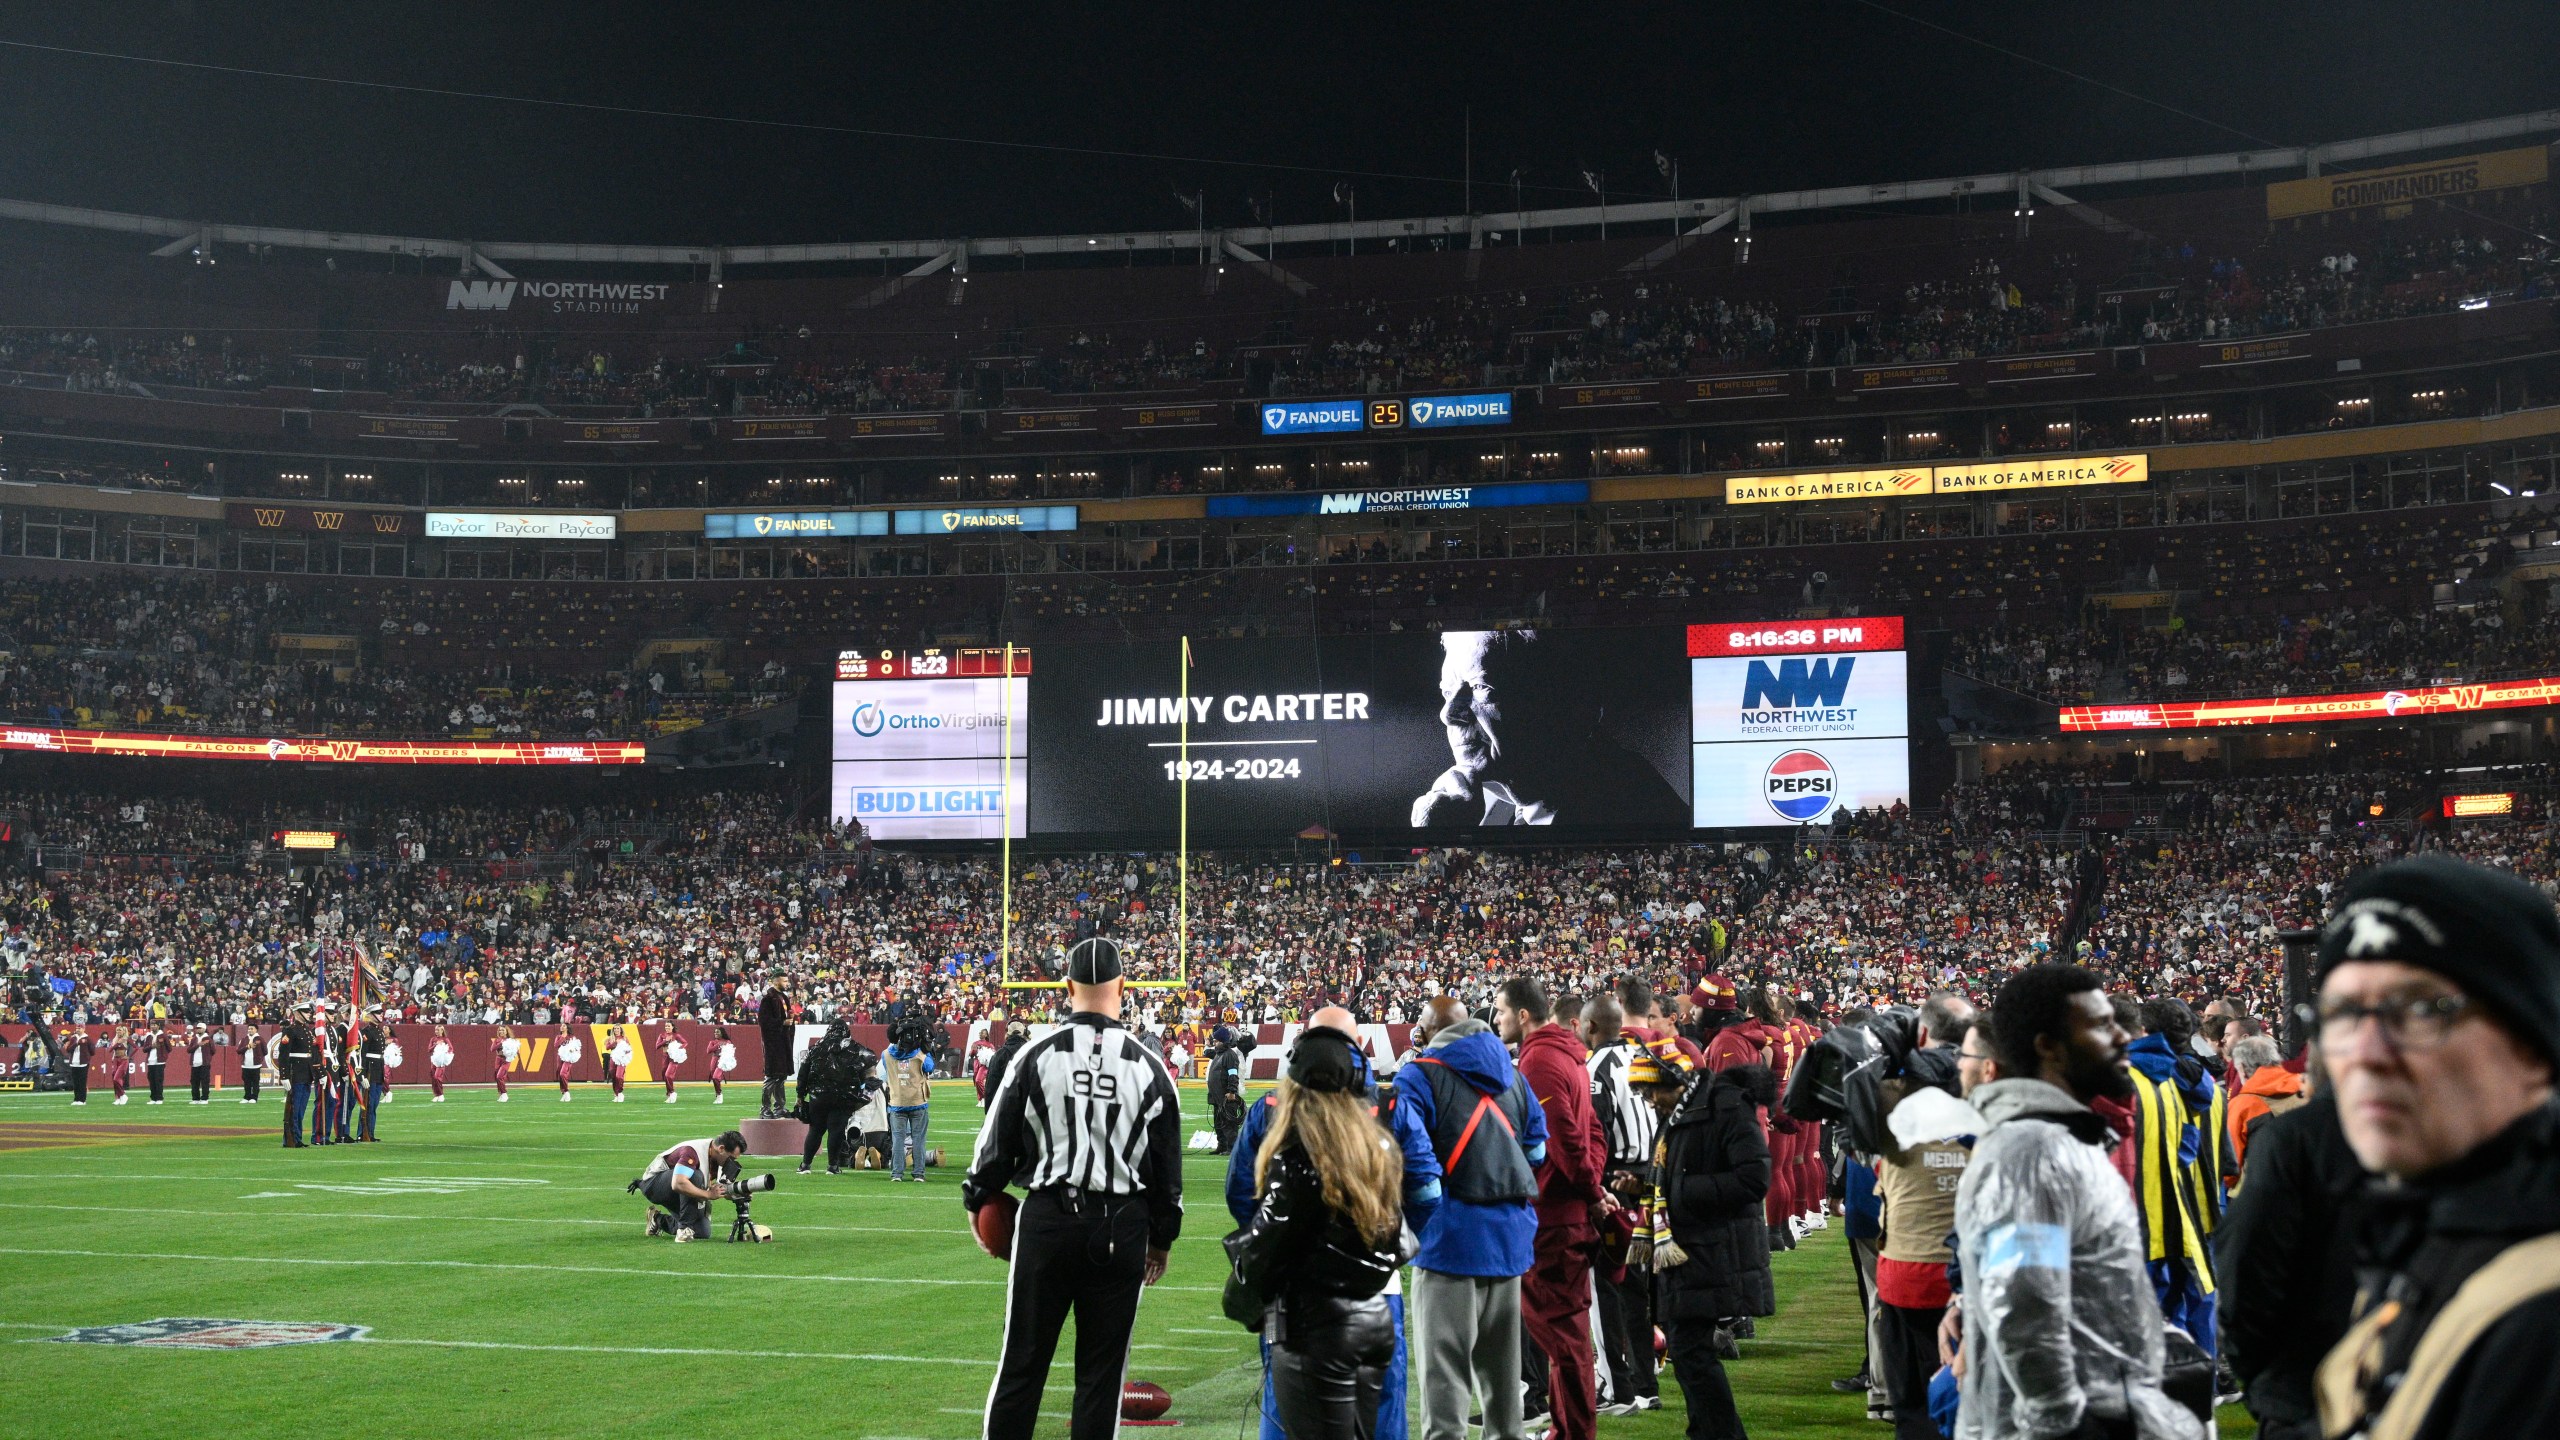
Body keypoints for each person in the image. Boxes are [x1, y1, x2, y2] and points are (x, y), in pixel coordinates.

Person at [2305, 854, 2560, 1438]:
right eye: (2343, 1012)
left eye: (2421, 1008)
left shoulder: (2542, 1318)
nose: (2367, 1052)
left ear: (2532, 1046)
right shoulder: (2431, 1224)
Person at [1954, 964, 2200, 1440]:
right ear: (2048, 1046)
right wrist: (2060, 1419)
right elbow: (2024, 1298)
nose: (2123, 1037)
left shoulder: (2059, 1140)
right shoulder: (2031, 1152)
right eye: (2101, 1025)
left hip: (2107, 1407)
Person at [966, 936, 1184, 1440]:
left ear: (1067, 988)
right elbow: (1166, 1174)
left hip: (1046, 1222)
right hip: (1121, 1227)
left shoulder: (1035, 1056)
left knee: (1021, 1366)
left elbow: (992, 1151)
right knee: (1100, 1381)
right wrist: (1162, 1239)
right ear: (1123, 987)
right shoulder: (1151, 1068)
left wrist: (979, 1203)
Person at [1228, 1006, 1428, 1440]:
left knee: (1286, 1417)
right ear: (1358, 1054)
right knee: (1380, 1420)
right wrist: (1385, 1250)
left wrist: (1274, 1244)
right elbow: (1426, 1193)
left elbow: (1241, 1192)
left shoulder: (1273, 1110)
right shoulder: (1391, 1107)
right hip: (1376, 1293)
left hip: (1292, 1295)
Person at [1394, 994, 1549, 1440]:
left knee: (1445, 1379)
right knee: (1503, 1387)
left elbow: (1411, 1159)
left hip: (1449, 1241)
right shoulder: (1514, 1077)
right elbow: (1537, 1150)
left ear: (1425, 1032)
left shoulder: (1418, 1075)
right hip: (1509, 1241)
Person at [1410, 629, 1685, 828]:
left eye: (1482, 688)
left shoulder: (1635, 810)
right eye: (1448, 692)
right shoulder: (1466, 803)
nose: (1448, 715)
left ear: (1568, 704)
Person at [2213, 1074, 2360, 1440]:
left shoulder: (2293, 1135)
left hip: (2300, 1390)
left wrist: (2267, 1380)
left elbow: (2245, 1276)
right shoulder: (2440, 1135)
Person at [1499, 978, 1606, 1440]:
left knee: (1561, 1337)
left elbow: (1563, 1138)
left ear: (1524, 1015)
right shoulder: (1569, 1056)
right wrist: (1593, 1186)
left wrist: (1590, 1191)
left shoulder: (1539, 1059)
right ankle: (1566, 1428)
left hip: (1553, 1216)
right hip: (1567, 1210)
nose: (1496, 1019)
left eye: (1501, 1011)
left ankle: (1574, 1431)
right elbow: (1593, 1133)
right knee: (1567, 1334)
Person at [1868, 991, 1973, 1440]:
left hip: (1909, 1267)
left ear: (1922, 1032)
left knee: (1913, 1407)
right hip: (1976, 1275)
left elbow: (1811, 1098)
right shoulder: (1994, 1090)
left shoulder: (1889, 1092)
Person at [2128, 997, 2225, 1353]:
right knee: (2198, 1313)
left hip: (2154, 1219)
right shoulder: (2213, 1090)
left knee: (2157, 1324)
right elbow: (2218, 1157)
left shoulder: (2144, 1083)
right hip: (2202, 1214)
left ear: (2144, 1033)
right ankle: (2203, 1398)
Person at [1583, 994, 1663, 1415]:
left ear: (1592, 1026)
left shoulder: (1595, 1067)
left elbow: (1594, 1131)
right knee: (1636, 1287)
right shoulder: (1642, 1054)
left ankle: (1619, 1387)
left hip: (1615, 1182)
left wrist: (1596, 1189)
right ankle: (1646, 1384)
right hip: (1649, 1179)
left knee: (1606, 1286)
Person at [795, 1018, 877, 1176]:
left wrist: (800, 1094)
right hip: (843, 1097)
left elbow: (803, 1073)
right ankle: (832, 1166)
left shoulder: (816, 1048)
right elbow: (870, 1065)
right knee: (836, 1131)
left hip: (817, 1097)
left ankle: (805, 1165)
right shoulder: (855, 1048)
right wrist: (864, 1096)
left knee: (815, 1130)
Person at [637, 1129, 746, 1243]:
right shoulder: (692, 1151)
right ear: (721, 1149)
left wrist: (739, 1193)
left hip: (678, 1190)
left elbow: (721, 1188)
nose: (732, 1161)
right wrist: (708, 1194)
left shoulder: (719, 1158)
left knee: (702, 1231)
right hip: (654, 1185)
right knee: (694, 1175)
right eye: (732, 1157)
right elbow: (678, 1183)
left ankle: (657, 1220)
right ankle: (684, 1229)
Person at [2221, 1035, 2301, 1175]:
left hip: (2259, 1189)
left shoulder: (2242, 1105)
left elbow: (2230, 1165)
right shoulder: (2307, 1088)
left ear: (2243, 1069)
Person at [884, 1026, 936, 1181]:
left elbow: (887, 1068)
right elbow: (930, 1068)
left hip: (897, 1101)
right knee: (918, 1139)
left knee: (898, 1139)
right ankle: (918, 1173)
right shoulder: (921, 1054)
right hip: (917, 1101)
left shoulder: (886, 1054)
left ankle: (897, 1173)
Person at [1209, 1027, 1248, 1153]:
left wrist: (1232, 1091)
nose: (1214, 1043)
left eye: (1216, 1041)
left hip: (1226, 1096)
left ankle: (1232, 1148)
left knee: (1229, 1124)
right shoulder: (1218, 1054)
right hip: (1216, 1096)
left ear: (1223, 1041)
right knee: (1218, 1123)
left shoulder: (1230, 1055)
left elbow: (1233, 1074)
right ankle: (1222, 1145)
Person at [758, 977, 793, 1117]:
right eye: (784, 981)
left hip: (783, 1042)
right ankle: (765, 1109)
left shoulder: (783, 997)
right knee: (771, 1076)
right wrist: (782, 1023)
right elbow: (764, 1021)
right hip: (773, 1044)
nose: (787, 983)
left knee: (781, 1076)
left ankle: (779, 1108)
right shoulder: (768, 999)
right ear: (776, 981)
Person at [279, 1014, 315, 1148]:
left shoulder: (306, 1030)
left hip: (306, 1072)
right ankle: (291, 1138)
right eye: (305, 1012)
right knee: (294, 1109)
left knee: (301, 1109)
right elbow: (283, 1053)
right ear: (298, 1013)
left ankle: (297, 1138)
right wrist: (284, 1075)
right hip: (296, 1072)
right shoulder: (290, 1030)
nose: (308, 1014)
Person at [357, 1014, 388, 1141]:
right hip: (369, 1070)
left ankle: (370, 1133)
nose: (381, 1015)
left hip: (377, 1071)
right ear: (371, 1016)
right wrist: (362, 1075)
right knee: (367, 1104)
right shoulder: (366, 1032)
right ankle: (362, 1133)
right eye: (379, 1013)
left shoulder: (379, 1032)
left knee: (374, 1104)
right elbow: (362, 1054)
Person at [658, 1022, 686, 1103]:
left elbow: (685, 1043)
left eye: (668, 1026)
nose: (667, 1027)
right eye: (666, 1026)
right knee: (664, 1076)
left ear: (672, 1027)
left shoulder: (676, 1035)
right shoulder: (662, 1035)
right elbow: (657, 1046)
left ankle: (673, 1092)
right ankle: (670, 1094)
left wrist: (678, 1049)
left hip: (673, 1058)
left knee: (668, 1075)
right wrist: (665, 1041)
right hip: (665, 1057)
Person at [186, 1023, 214, 1104]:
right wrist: (197, 1045)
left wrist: (207, 1058)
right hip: (195, 1063)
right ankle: (195, 1098)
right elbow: (189, 1050)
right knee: (194, 1082)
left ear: (204, 1029)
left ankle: (205, 1098)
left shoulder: (208, 1039)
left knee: (205, 1081)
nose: (198, 1029)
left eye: (200, 1028)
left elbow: (213, 1050)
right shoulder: (194, 1039)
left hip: (204, 1063)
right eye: (197, 1028)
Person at [64, 1024, 90, 1105]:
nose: (78, 1030)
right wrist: (76, 1044)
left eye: (80, 1028)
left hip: (83, 1063)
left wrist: (86, 1057)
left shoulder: (87, 1038)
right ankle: (76, 1099)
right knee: (75, 1082)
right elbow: (68, 1049)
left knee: (82, 1082)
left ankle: (82, 1100)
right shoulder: (73, 1038)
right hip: (74, 1062)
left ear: (84, 1029)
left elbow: (92, 1050)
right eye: (77, 1028)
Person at [555, 1023, 582, 1101]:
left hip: (569, 1057)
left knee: (563, 1073)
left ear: (567, 1028)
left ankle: (567, 1091)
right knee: (559, 1074)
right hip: (560, 1056)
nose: (561, 1027)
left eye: (564, 1026)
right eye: (561, 1026)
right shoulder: (558, 1036)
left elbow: (577, 1047)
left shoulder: (572, 1037)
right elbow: (555, 1045)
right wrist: (562, 1038)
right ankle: (563, 1092)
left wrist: (572, 1050)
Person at [606, 1024, 633, 1102]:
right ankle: (616, 1093)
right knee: (613, 1075)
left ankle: (620, 1092)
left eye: (618, 1028)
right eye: (615, 1029)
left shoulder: (625, 1038)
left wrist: (626, 1054)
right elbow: (607, 1047)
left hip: (622, 1059)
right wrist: (615, 1043)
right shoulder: (610, 1038)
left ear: (621, 1030)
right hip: (613, 1058)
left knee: (619, 1076)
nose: (616, 1030)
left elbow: (629, 1049)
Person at [142, 1022, 168, 1104]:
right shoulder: (149, 1036)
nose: (153, 1027)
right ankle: (153, 1098)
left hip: (159, 1062)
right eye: (152, 1025)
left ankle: (159, 1098)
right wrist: (151, 1047)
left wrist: (163, 1056)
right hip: (150, 1061)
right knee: (152, 1080)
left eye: (154, 1025)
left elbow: (169, 1048)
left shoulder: (163, 1036)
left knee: (158, 1080)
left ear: (158, 1026)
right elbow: (144, 1049)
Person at [428, 1025, 454, 1102]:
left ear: (442, 1031)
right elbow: (429, 1050)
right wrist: (435, 1045)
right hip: (434, 1061)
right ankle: (436, 1095)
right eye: (435, 1030)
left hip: (441, 1061)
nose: (436, 1032)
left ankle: (441, 1094)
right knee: (433, 1078)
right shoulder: (433, 1039)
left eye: (438, 1030)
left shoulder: (445, 1039)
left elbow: (451, 1048)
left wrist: (446, 1053)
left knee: (437, 1077)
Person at [491, 1024, 516, 1102]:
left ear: (506, 1031)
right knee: (497, 1077)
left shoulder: (510, 1040)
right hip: (498, 1059)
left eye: (503, 1030)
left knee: (499, 1076)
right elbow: (492, 1049)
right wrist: (500, 1044)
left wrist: (510, 1055)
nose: (501, 1031)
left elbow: (516, 1051)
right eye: (500, 1030)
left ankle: (505, 1094)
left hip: (506, 1060)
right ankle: (501, 1094)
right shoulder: (497, 1040)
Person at [711, 1025, 735, 1105]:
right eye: (715, 1032)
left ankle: (719, 1095)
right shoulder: (713, 1042)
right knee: (714, 1079)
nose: (715, 1033)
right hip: (714, 1061)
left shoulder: (727, 1042)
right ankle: (718, 1095)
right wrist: (717, 1045)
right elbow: (708, 1050)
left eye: (717, 1032)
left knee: (715, 1077)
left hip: (722, 1062)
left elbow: (730, 1052)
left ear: (722, 1033)